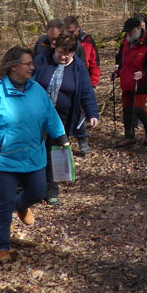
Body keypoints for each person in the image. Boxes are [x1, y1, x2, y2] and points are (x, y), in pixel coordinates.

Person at [0, 46, 69, 263]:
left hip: (33, 155)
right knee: (4, 201)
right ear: (14, 67)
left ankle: (21, 205)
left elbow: (50, 115)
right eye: (27, 63)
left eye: (32, 63)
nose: (32, 67)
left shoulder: (36, 90)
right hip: (1, 158)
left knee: (38, 192)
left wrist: (62, 138)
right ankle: (1, 246)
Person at [32, 34, 99, 203]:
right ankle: (30, 188)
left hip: (62, 118)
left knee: (54, 153)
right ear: (55, 48)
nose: (64, 57)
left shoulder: (78, 67)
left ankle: (52, 192)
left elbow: (86, 92)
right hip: (37, 115)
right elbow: (29, 81)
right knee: (35, 150)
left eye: (68, 54)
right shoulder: (42, 60)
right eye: (61, 52)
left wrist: (92, 113)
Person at [114, 16, 147, 147]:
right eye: (127, 32)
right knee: (127, 109)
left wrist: (143, 73)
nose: (129, 34)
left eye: (130, 31)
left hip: (141, 82)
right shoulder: (125, 42)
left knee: (138, 108)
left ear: (138, 29)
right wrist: (117, 72)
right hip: (126, 79)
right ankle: (129, 136)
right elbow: (121, 59)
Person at [63, 15, 101, 156]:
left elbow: (94, 62)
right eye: (67, 31)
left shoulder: (87, 41)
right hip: (67, 83)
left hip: (83, 82)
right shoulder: (63, 43)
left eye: (71, 31)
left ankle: (82, 139)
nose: (69, 34)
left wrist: (93, 82)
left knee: (79, 114)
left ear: (78, 28)